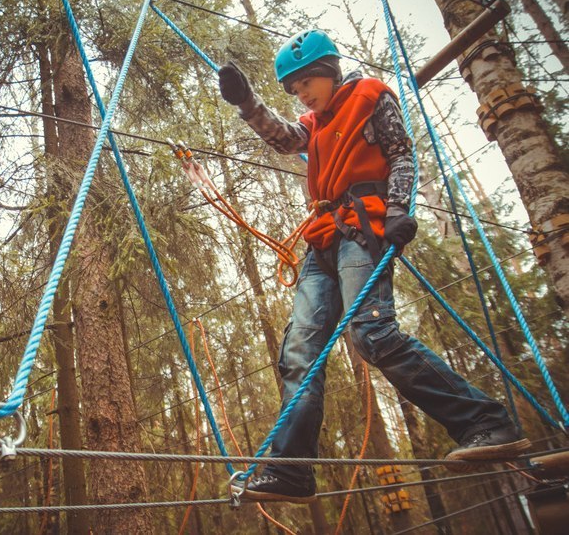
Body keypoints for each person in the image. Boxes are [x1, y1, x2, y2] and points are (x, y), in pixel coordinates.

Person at [219, 29, 530, 503]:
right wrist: (247, 103)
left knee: (372, 332)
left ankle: (487, 422)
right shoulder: (316, 123)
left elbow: (402, 154)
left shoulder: (370, 96)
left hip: (363, 226)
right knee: (300, 352)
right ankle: (291, 470)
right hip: (324, 238)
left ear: (327, 70)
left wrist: (401, 208)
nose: (300, 93)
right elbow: (284, 139)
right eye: (293, 88)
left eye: (305, 82)